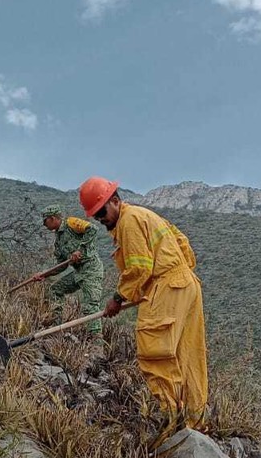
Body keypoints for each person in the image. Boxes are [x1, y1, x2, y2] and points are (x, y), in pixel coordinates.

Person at [78, 177, 208, 429]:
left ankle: (172, 419)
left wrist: (118, 298)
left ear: (115, 201)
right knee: (187, 354)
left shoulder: (129, 221)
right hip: (186, 284)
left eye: (102, 212)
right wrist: (174, 279)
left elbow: (139, 267)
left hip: (169, 284)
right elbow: (182, 243)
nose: (100, 218)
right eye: (95, 216)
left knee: (154, 350)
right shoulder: (145, 215)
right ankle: (194, 421)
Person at [39, 203, 104, 336]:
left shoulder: (71, 223)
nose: (44, 225)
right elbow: (62, 265)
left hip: (91, 269)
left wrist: (80, 250)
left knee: (90, 305)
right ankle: (56, 328)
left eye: (45, 221)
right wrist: (44, 274)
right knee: (55, 290)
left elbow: (93, 229)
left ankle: (97, 340)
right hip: (78, 272)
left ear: (52, 218)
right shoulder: (58, 241)